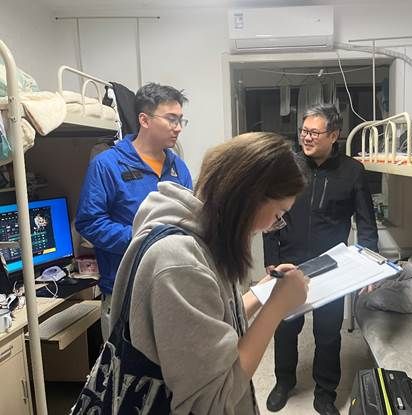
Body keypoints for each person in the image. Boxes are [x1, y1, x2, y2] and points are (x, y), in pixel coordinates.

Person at [106, 132, 310, 414]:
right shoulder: (180, 264)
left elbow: (211, 323)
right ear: (250, 198)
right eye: (278, 215)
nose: (272, 227)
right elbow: (214, 399)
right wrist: (276, 308)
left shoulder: (203, 236)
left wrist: (262, 294)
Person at [263, 104, 379, 415]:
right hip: (290, 263)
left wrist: (369, 267)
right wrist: (271, 258)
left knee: (327, 332)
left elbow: (366, 222)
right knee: (285, 328)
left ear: (334, 135)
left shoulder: (352, 171)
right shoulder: (287, 166)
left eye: (314, 132)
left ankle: (325, 391)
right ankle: (283, 382)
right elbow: (271, 215)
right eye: (304, 131)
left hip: (332, 267)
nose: (306, 137)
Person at [75, 83, 193, 339]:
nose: (178, 127)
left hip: (170, 283)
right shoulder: (107, 165)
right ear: (144, 120)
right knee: (123, 361)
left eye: (181, 120)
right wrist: (141, 239)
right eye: (171, 119)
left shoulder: (178, 167)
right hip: (124, 287)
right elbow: (89, 222)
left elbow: (188, 216)